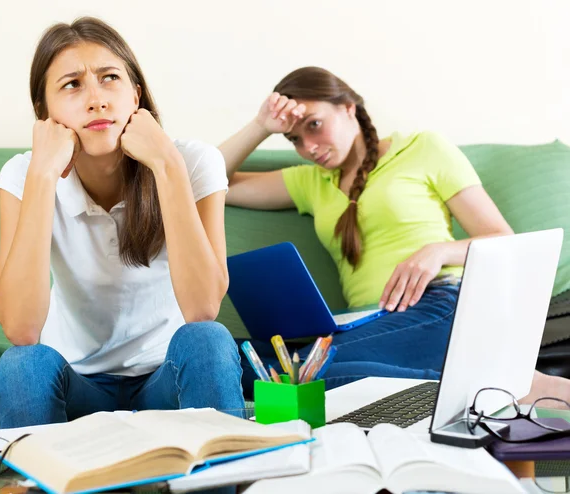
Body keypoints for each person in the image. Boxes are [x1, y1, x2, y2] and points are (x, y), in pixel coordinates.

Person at [218, 66, 568, 404]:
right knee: (227, 356)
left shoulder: (422, 148)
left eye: (315, 125)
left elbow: (503, 239)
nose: (309, 146)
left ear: (348, 107)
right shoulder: (310, 181)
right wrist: (261, 126)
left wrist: (438, 252)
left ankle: (498, 383)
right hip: (365, 324)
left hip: (441, 304)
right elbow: (211, 179)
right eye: (295, 138)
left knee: (283, 378)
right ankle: (485, 381)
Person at [0, 17, 244, 429]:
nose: (96, 100)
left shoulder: (193, 161)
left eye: (109, 78)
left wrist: (165, 165)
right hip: (80, 387)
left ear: (136, 95)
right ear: (45, 114)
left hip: (167, 380)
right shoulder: (24, 175)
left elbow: (203, 308)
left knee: (208, 339)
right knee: (23, 365)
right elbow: (21, 329)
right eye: (72, 85)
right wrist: (42, 175)